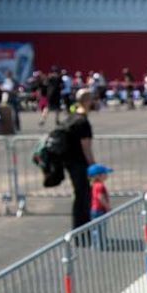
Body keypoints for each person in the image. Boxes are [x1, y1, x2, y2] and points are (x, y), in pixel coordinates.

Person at [64, 89, 97, 229]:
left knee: (79, 195)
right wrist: (93, 166)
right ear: (87, 100)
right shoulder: (83, 121)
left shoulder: (72, 117)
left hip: (70, 161)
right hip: (79, 162)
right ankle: (81, 229)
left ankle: (79, 227)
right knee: (83, 196)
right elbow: (86, 147)